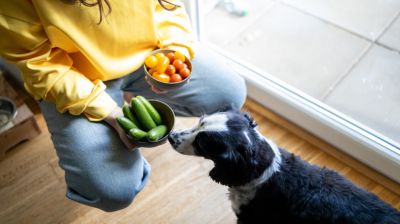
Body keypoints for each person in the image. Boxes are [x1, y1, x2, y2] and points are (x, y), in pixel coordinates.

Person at [0, 0, 246, 212]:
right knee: (113, 191)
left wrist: (176, 50)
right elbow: (39, 64)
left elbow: (167, 5)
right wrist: (111, 114)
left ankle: (133, 98)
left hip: (148, 56)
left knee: (230, 94)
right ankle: (117, 128)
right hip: (74, 76)